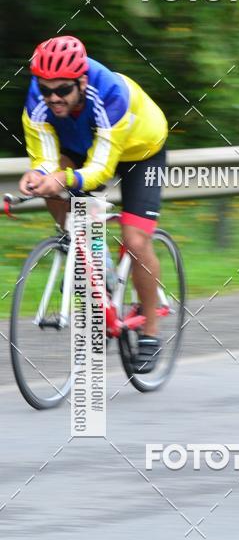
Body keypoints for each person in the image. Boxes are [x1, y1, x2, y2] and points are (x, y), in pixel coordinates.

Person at [20, 35, 168, 373]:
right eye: (46, 90)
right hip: (85, 144)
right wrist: (39, 175)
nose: (53, 98)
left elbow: (100, 169)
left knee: (135, 240)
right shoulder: (38, 98)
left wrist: (63, 178)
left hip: (140, 151)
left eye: (62, 90)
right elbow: (44, 158)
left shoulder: (110, 94)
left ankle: (150, 331)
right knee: (51, 185)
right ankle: (89, 256)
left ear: (82, 82)